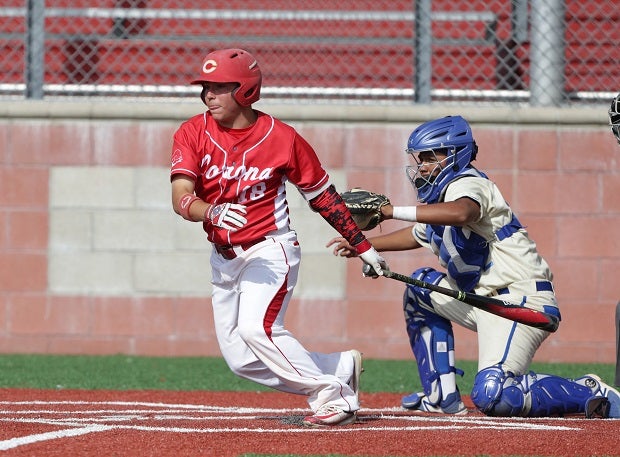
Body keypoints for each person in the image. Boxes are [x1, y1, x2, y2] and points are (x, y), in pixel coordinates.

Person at [327, 115, 620, 418]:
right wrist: (365, 246)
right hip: (484, 302)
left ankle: (590, 391)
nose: (422, 166)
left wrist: (390, 212)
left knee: (494, 395)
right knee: (419, 290)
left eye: (430, 157)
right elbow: (419, 234)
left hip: (519, 303)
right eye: (420, 158)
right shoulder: (442, 201)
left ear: (455, 156)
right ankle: (441, 396)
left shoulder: (469, 183)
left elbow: (462, 213)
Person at [169, 48, 387, 427]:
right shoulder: (192, 132)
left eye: (220, 87)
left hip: (270, 250)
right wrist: (211, 210)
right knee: (241, 358)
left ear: (246, 90)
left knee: (259, 329)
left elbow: (323, 197)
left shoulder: (282, 138)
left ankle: (330, 395)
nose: (208, 95)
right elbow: (180, 197)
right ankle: (338, 367)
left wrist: (364, 245)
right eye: (206, 87)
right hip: (223, 257)